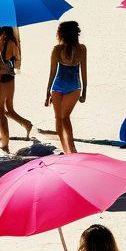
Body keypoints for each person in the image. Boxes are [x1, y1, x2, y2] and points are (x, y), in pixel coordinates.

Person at [0, 26, 33, 152]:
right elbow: (16, 59)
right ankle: (27, 124)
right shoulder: (12, 43)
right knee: (9, 109)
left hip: (0, 79)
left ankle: (5, 142)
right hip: (10, 78)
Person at [46, 21, 87, 154]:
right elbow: (83, 72)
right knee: (62, 117)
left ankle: (70, 149)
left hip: (61, 85)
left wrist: (47, 91)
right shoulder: (80, 48)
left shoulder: (58, 49)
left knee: (62, 117)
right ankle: (67, 149)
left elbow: (52, 72)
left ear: (61, 34)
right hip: (72, 86)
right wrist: (84, 91)